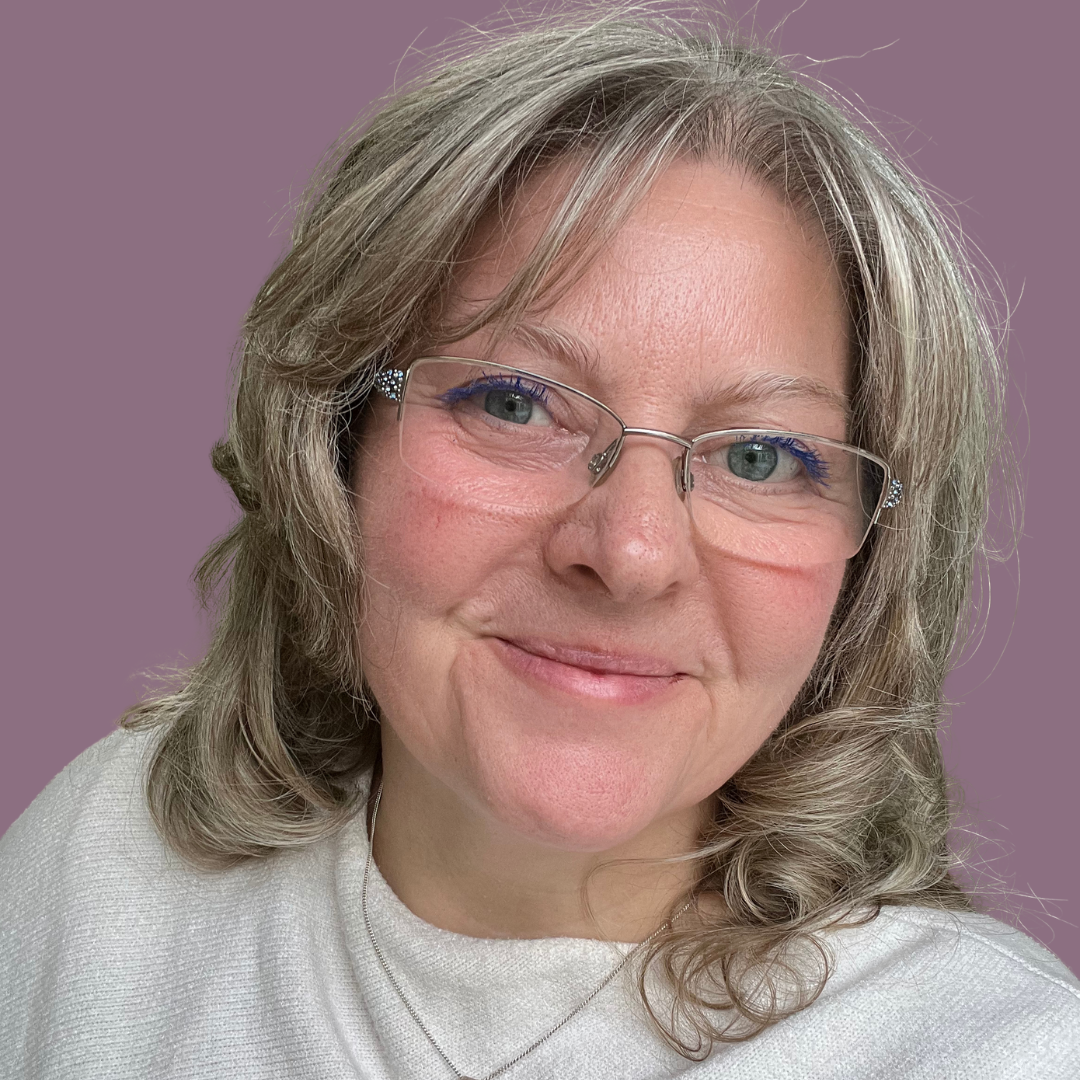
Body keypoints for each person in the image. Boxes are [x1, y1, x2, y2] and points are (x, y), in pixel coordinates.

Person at [2, 7, 1077, 1078]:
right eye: (514, 403)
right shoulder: (102, 869)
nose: (631, 553)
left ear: (869, 557)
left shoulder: (1003, 1054)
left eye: (761, 458)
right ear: (333, 443)